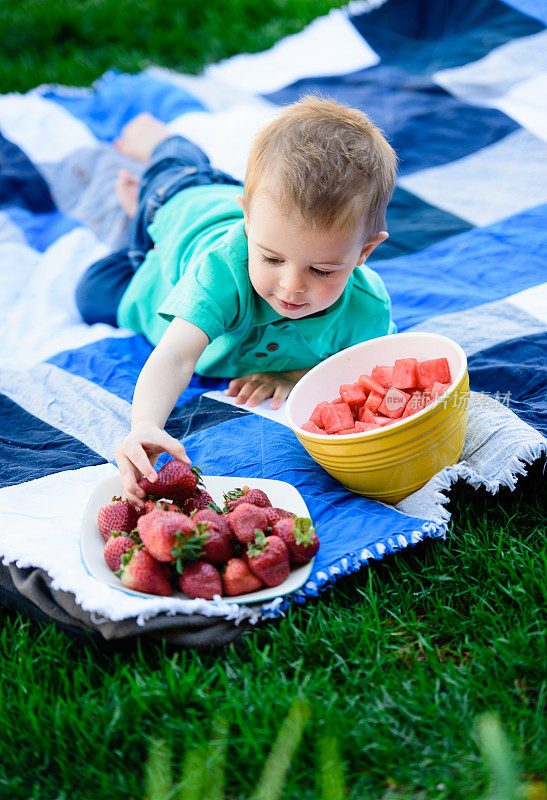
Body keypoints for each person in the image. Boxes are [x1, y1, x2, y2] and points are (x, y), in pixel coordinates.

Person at [75, 95, 398, 508]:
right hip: (183, 208)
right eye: (271, 258)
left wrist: (296, 374)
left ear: (364, 252)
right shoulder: (223, 271)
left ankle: (140, 233)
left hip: (156, 280)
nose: (291, 286)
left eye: (322, 270)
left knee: (93, 292)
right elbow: (174, 356)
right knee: (173, 174)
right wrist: (144, 425)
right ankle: (165, 146)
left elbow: (365, 370)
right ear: (247, 219)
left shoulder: (368, 309)